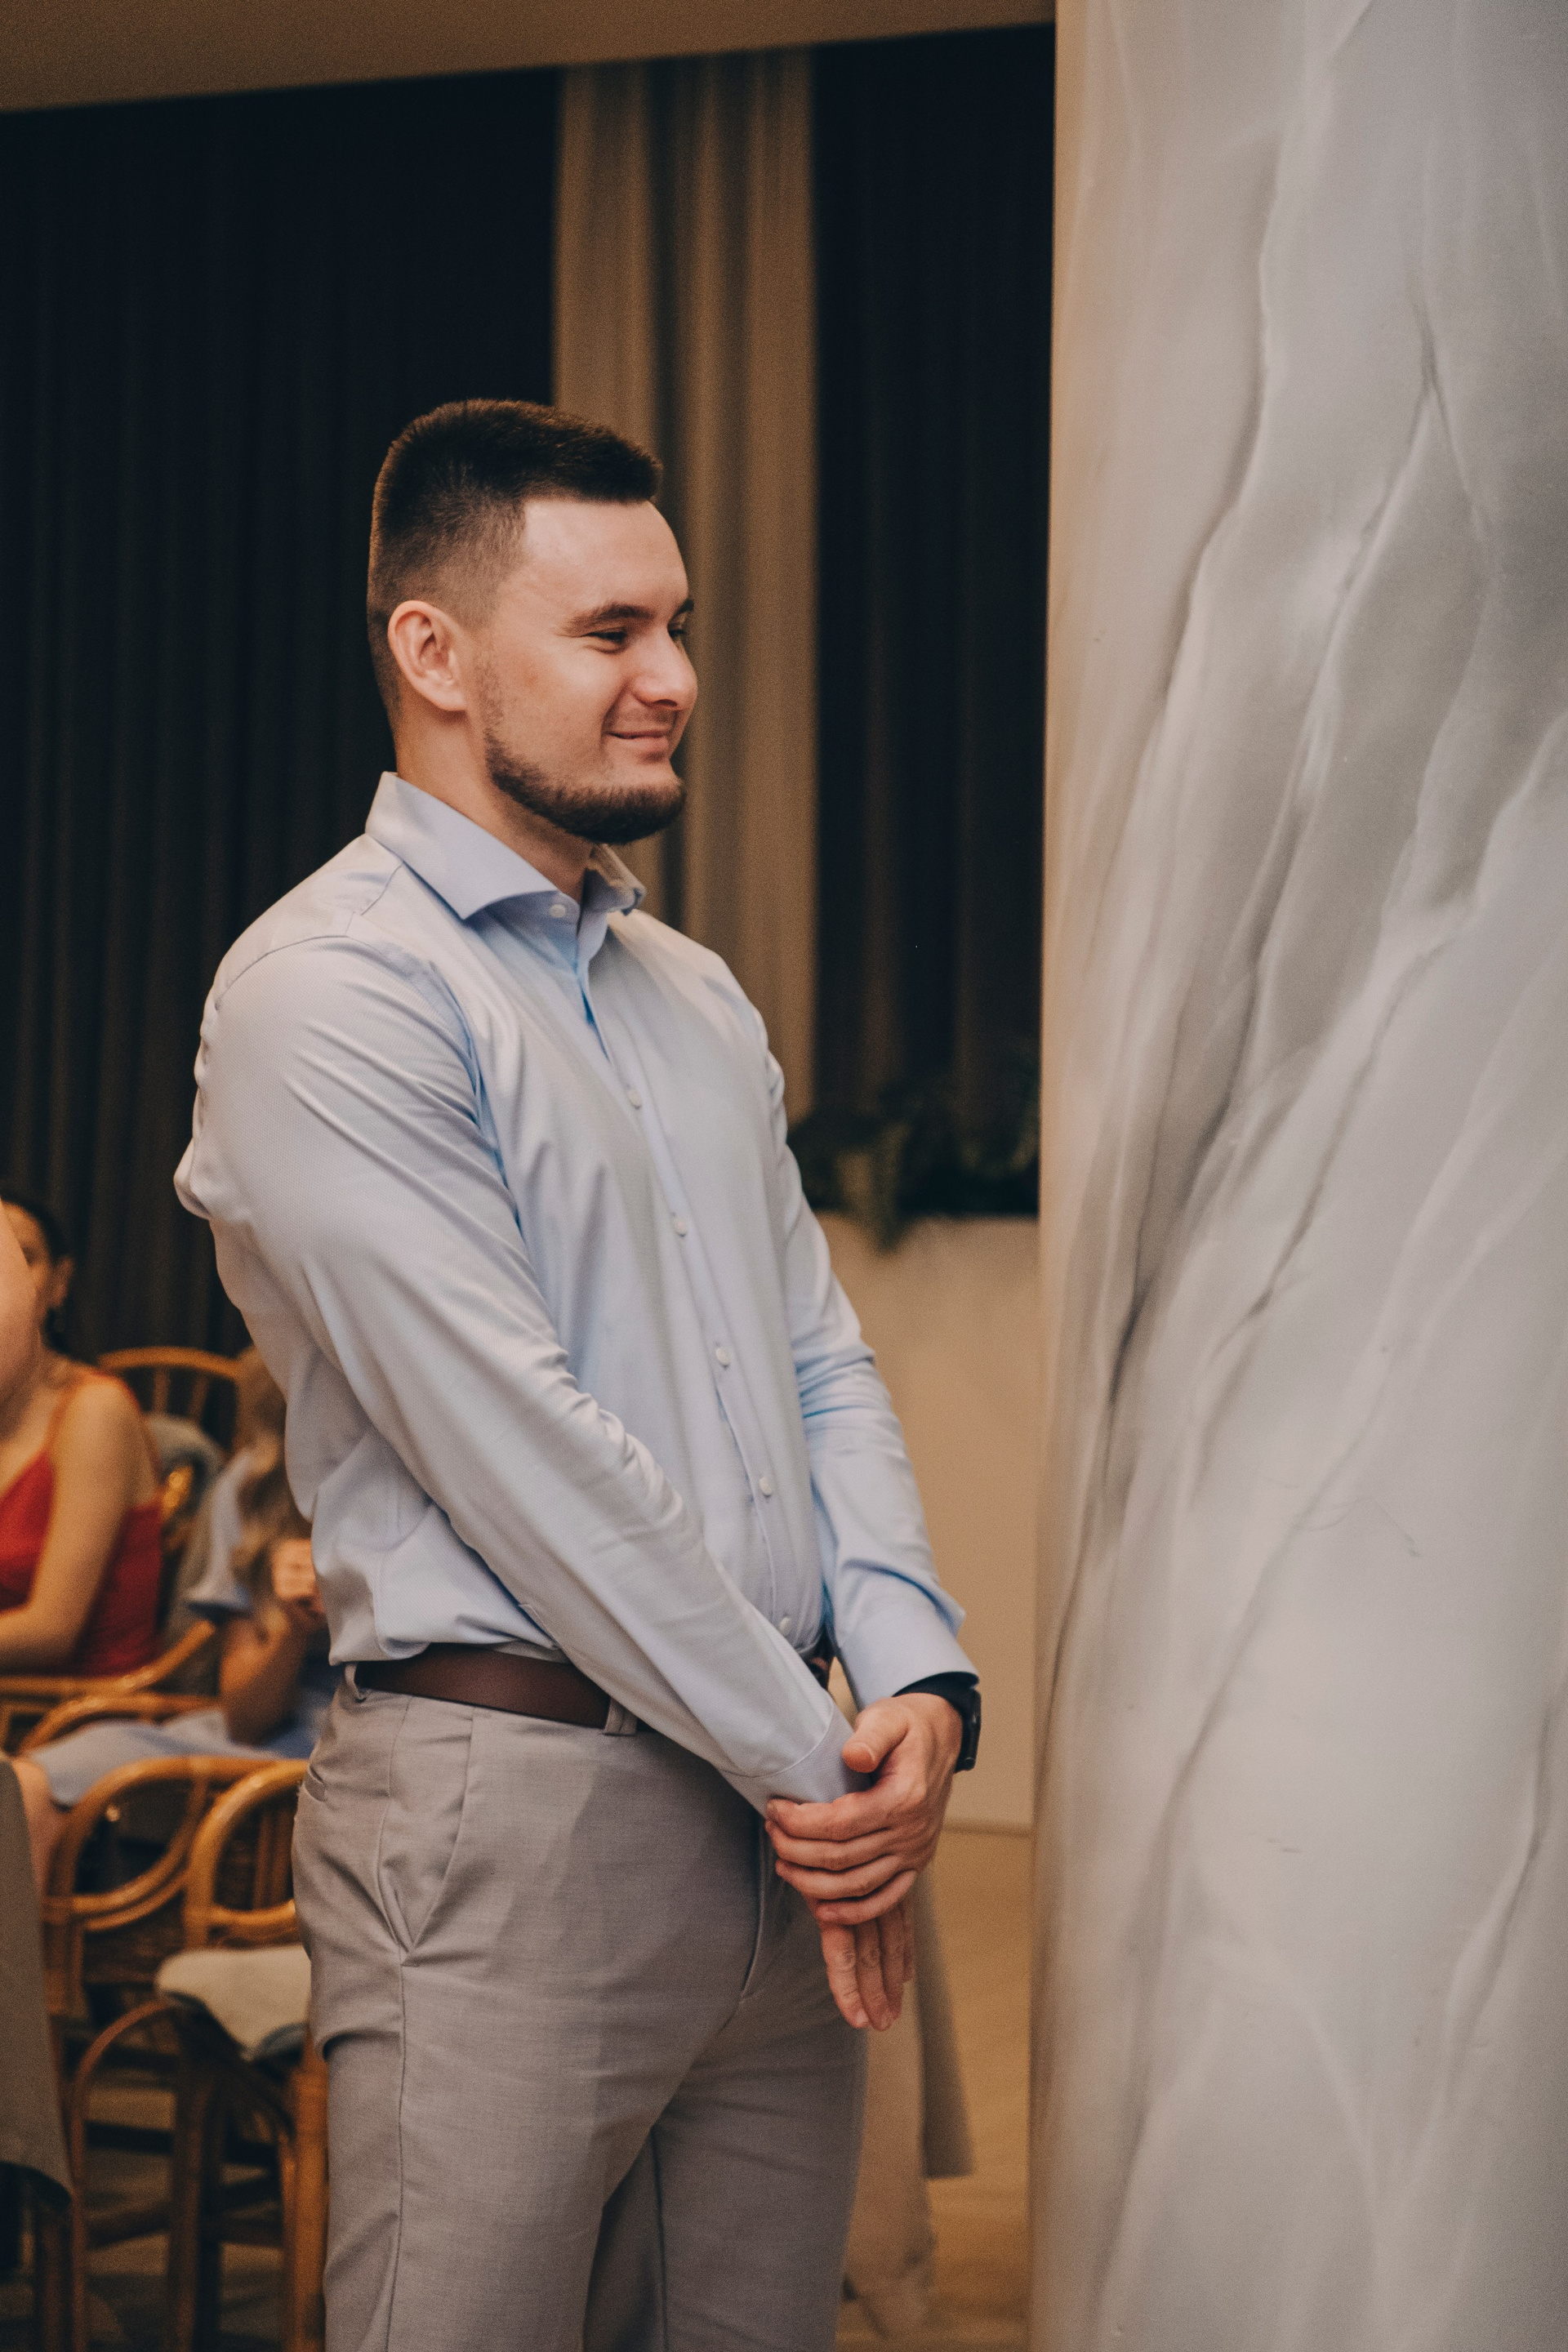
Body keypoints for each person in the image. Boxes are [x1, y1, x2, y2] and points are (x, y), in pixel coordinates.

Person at [175, 399, 982, 2352]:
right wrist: (823, 1773)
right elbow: (527, 1459)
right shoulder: (326, 991)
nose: (675, 678)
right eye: (611, 631)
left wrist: (919, 1682)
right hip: (515, 1818)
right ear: (435, 654)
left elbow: (819, 1356)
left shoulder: (694, 994)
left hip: (777, 1828)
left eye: (677, 625)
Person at [12, 1351, 341, 1887]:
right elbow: (246, 1720)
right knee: (22, 1786)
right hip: (266, 1732)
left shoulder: (434, 1486)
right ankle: (32, 1948)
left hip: (371, 1743)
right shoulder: (258, 1481)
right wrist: (291, 1627)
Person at [0, 1188, 161, 1684]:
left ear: (59, 1283)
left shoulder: (94, 1409)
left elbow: (52, 1630)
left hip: (76, 1710)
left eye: (21, 1258)